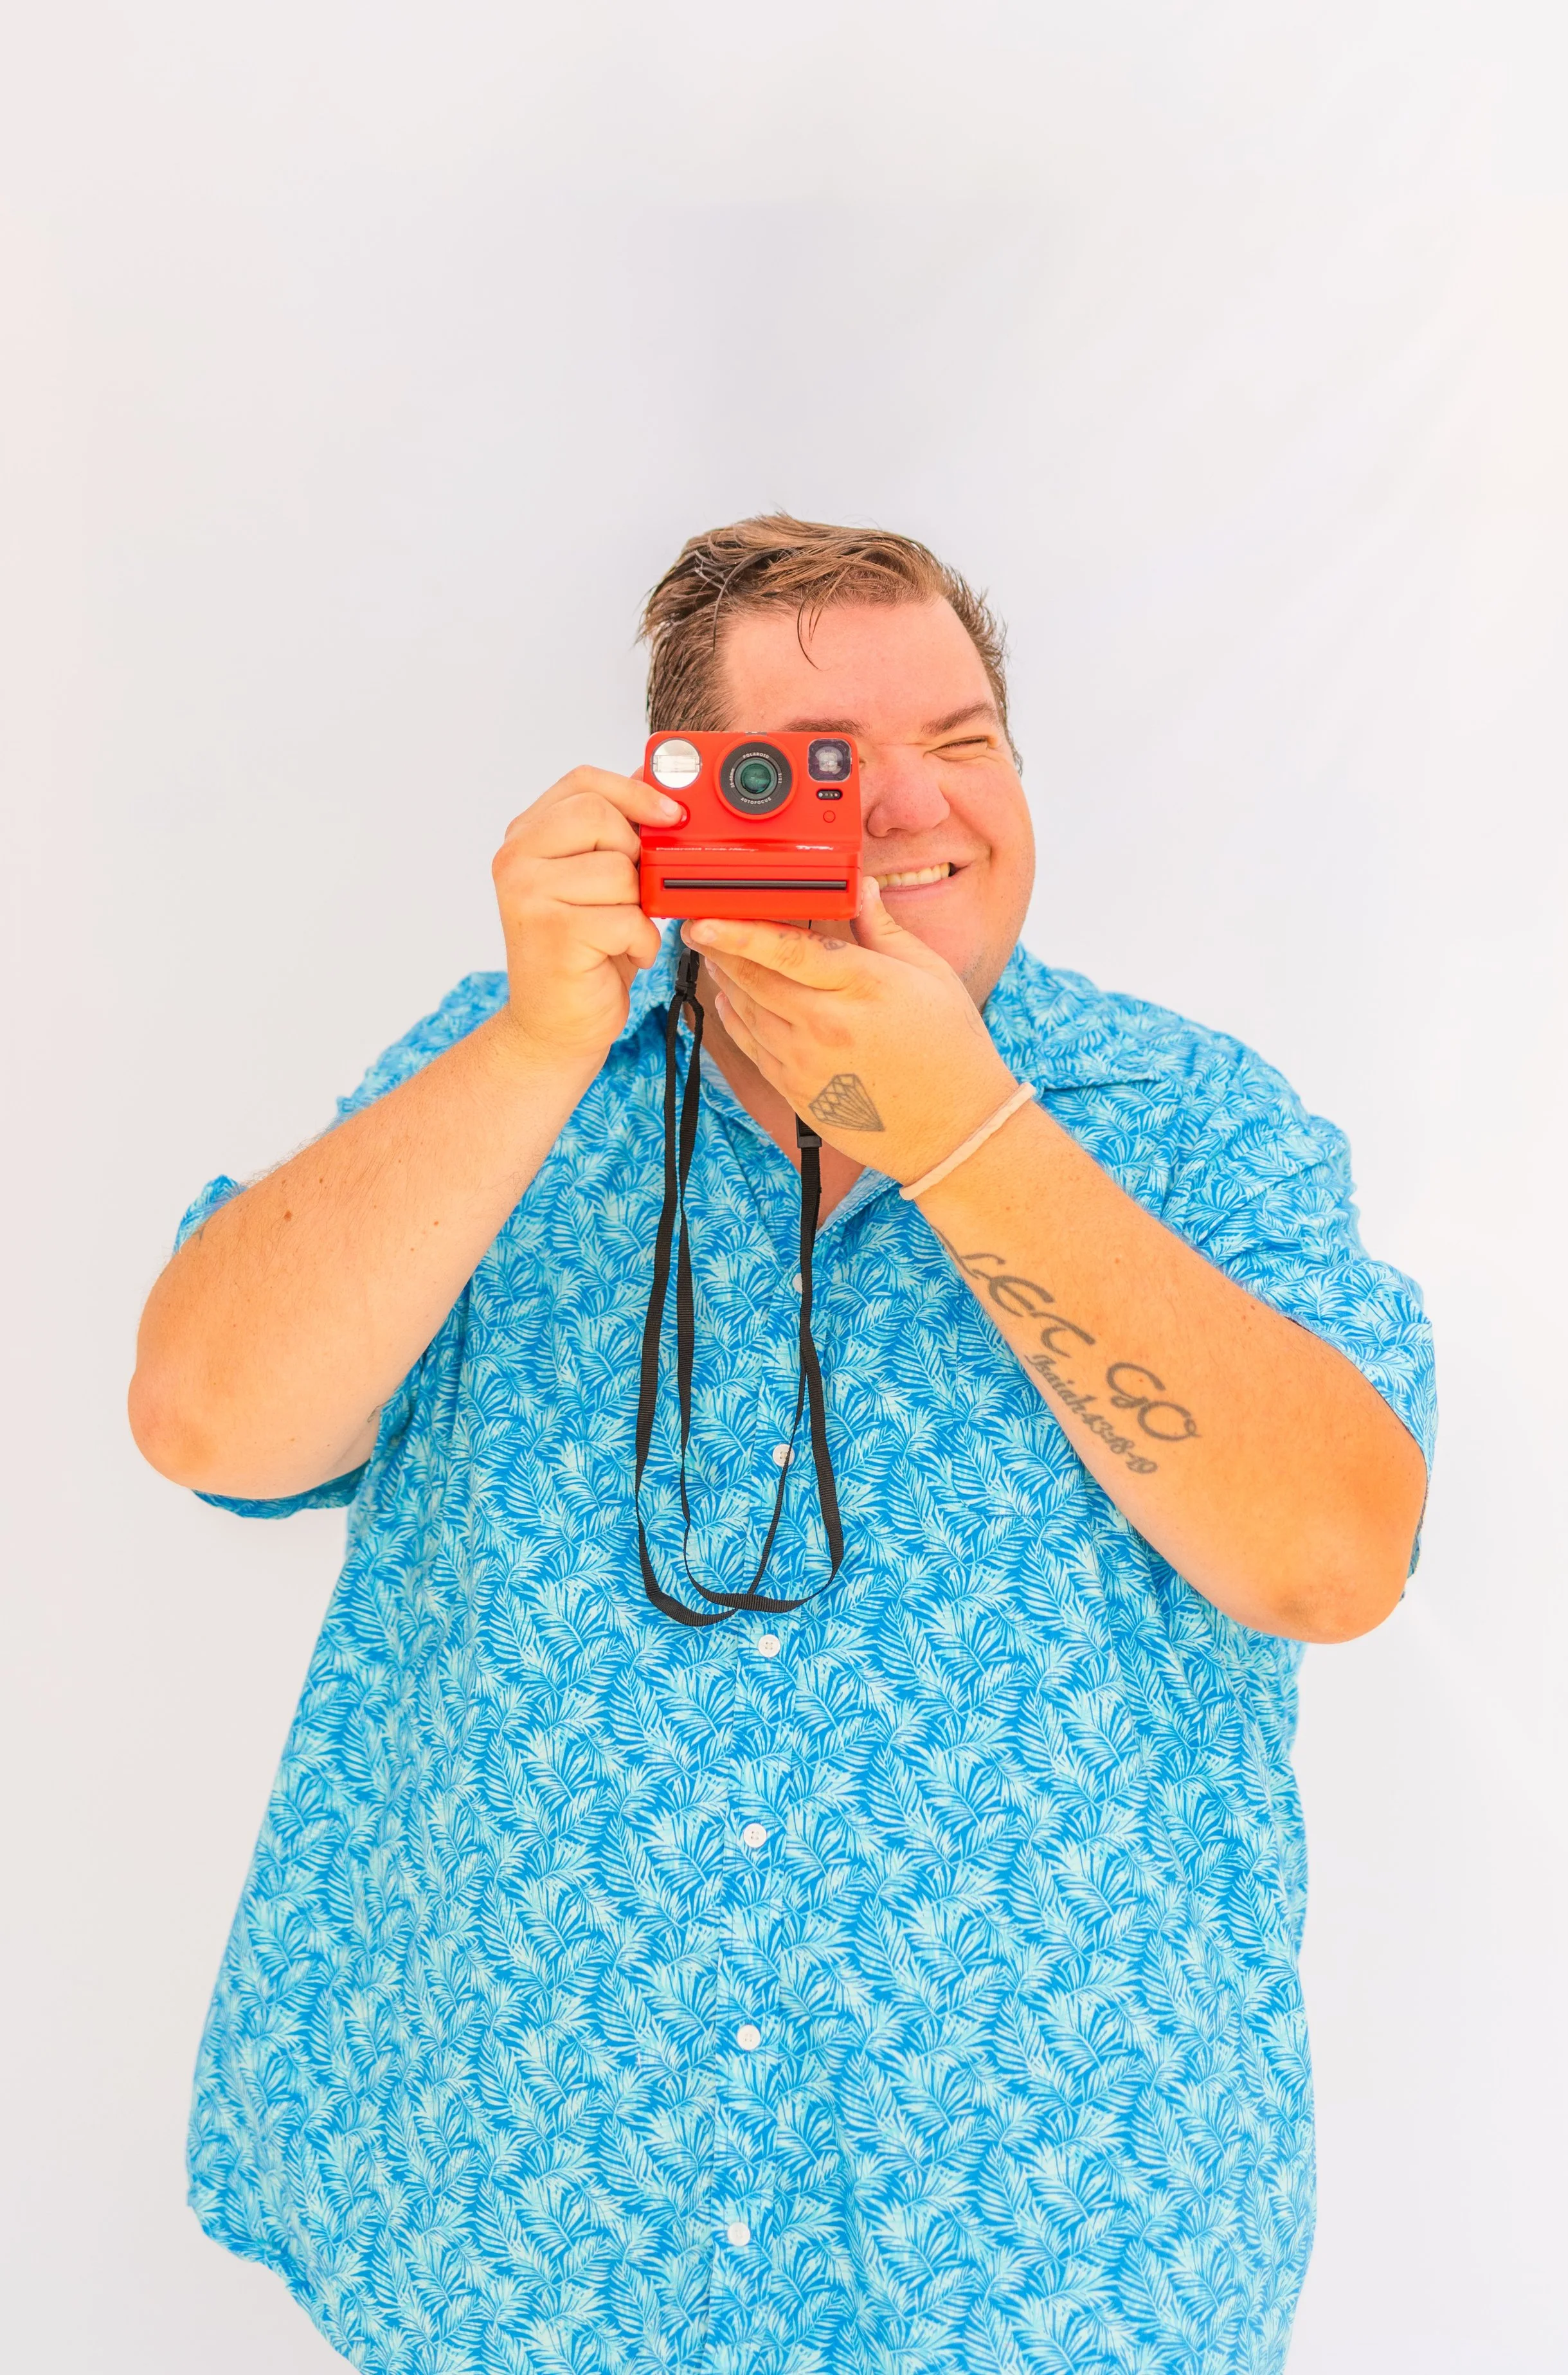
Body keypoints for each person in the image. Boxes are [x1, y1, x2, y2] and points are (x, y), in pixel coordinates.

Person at [130, 514, 1434, 2375]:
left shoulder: (1196, 1120)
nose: (910, 803)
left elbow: (1333, 1554)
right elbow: (209, 1423)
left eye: (963, 740)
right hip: (525, 2237)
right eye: (815, 763)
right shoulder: (508, 1071)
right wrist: (538, 1040)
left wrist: (965, 1131)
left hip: (1040, 2261)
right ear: (672, 802)